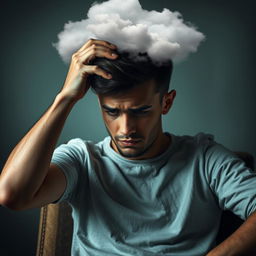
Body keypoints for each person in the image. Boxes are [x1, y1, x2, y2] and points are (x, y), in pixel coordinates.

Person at [0, 39, 256, 256]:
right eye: (111, 111)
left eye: (141, 111)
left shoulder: (205, 158)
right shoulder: (82, 159)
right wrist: (66, 98)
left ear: (166, 103)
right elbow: (12, 195)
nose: (125, 129)